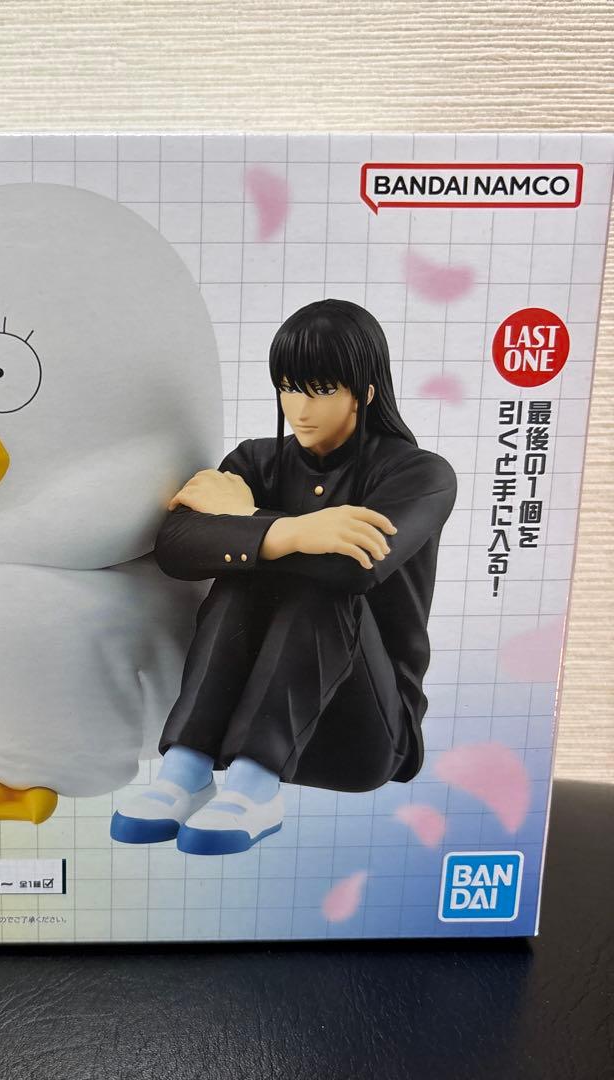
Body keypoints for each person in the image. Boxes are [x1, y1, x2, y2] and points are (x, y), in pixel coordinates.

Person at [111, 298, 457, 855]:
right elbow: (176, 547)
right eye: (289, 387)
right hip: (233, 730)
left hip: (361, 732)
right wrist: (294, 532)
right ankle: (186, 769)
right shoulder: (256, 462)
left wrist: (248, 519)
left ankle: (254, 790)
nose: (299, 407)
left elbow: (350, 569)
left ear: (365, 391)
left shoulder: (420, 474)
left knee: (318, 581)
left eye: (320, 389)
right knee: (243, 572)